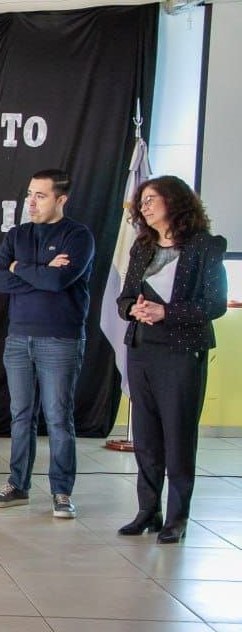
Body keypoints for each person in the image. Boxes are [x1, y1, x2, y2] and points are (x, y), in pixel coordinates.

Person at [116, 176, 228, 544]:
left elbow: (214, 305)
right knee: (146, 438)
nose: (144, 207)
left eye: (151, 199)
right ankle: (148, 511)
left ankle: (177, 518)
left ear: (174, 201)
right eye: (142, 201)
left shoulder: (204, 246)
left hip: (180, 353)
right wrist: (133, 309)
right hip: (142, 349)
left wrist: (167, 312)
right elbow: (124, 299)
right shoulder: (142, 246)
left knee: (178, 437)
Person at [0, 169, 95, 519]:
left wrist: (21, 267)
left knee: (58, 418)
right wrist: (41, 268)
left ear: (61, 199)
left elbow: (59, 281)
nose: (31, 202)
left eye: (41, 196)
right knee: (21, 416)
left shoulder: (78, 236)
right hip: (18, 337)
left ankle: (61, 492)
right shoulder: (17, 234)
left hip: (60, 338)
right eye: (30, 194)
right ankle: (17, 485)